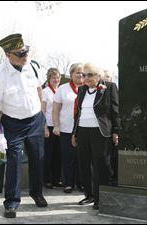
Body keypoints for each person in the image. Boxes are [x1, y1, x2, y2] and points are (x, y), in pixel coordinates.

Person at [0, 33, 47, 219]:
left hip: (35, 120)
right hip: (13, 124)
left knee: (38, 158)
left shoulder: (32, 67)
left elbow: (38, 88)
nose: (24, 56)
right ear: (8, 55)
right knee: (14, 162)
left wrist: (42, 114)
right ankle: (11, 203)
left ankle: (37, 193)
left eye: (26, 52)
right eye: (20, 54)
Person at [72, 63, 119, 210]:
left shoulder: (110, 87)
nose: (85, 78)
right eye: (84, 75)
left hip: (100, 132)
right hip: (82, 131)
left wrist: (116, 131)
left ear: (98, 76)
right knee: (84, 164)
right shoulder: (81, 89)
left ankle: (101, 198)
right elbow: (78, 113)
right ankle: (89, 195)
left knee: (101, 165)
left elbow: (115, 111)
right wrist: (74, 133)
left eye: (90, 75)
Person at [52, 63, 83, 194]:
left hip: (83, 130)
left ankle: (82, 183)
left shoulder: (88, 88)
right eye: (78, 73)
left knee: (82, 158)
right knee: (68, 157)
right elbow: (55, 109)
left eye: (83, 73)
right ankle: (68, 183)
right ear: (71, 74)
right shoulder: (63, 89)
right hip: (66, 129)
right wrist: (56, 126)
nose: (81, 75)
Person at [42, 68, 62, 188]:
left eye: (58, 77)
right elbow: (43, 111)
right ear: (49, 78)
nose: (56, 79)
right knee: (48, 154)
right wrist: (44, 128)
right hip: (48, 125)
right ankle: (47, 179)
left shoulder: (61, 90)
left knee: (58, 154)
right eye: (53, 77)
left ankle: (57, 179)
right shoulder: (45, 92)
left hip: (60, 126)